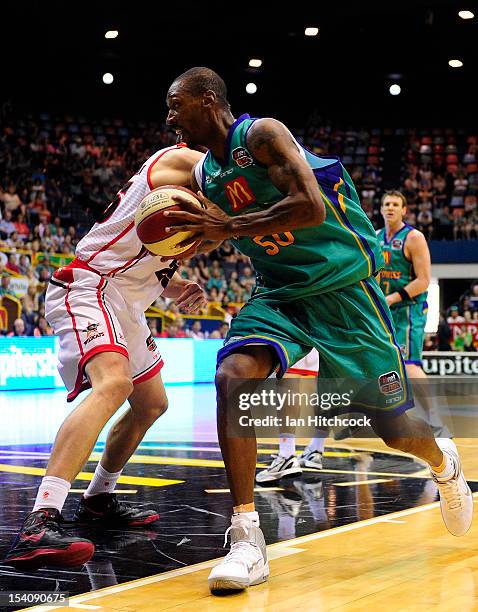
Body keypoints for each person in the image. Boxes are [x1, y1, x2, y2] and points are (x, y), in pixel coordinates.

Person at [164, 67, 473, 593]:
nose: (169, 116)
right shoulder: (205, 176)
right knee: (232, 375)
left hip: (343, 289)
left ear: (209, 100)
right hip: (279, 292)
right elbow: (217, 230)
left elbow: (308, 206)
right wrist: (177, 268)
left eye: (177, 104)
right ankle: (245, 537)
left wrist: (229, 227)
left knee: (394, 431)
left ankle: (443, 461)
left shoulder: (262, 134)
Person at [5, 143, 207, 569]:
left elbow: (152, 262)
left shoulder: (190, 193)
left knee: (153, 403)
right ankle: (39, 522)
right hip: (89, 284)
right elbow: (239, 189)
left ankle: (97, 498)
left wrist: (177, 286)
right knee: (114, 383)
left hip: (125, 303)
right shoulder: (181, 161)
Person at [377, 191, 450, 437]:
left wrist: (392, 298)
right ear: (380, 209)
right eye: (386, 204)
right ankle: (387, 416)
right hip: (383, 309)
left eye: (395, 204)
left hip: (408, 310)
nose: (390, 208)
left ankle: (437, 421)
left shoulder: (414, 237)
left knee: (410, 365)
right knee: (381, 364)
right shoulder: (375, 237)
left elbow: (424, 280)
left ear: (404, 210)